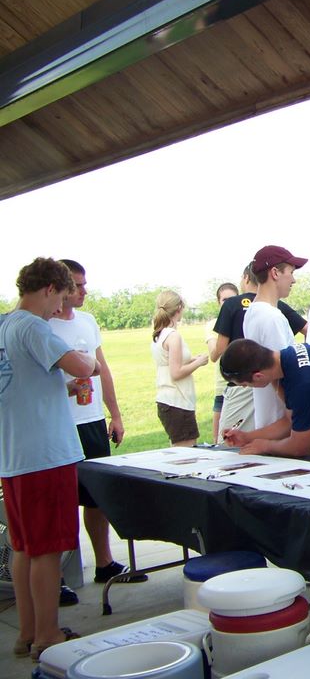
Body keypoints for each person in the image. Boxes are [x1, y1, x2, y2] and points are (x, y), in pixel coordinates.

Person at [1, 258, 98, 660]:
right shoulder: (33, 326)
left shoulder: (5, 326)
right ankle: (47, 635)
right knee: (49, 549)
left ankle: (26, 632)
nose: (60, 308)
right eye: (61, 296)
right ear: (48, 289)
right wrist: (89, 360)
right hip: (46, 456)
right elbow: (82, 364)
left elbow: (24, 385)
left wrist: (63, 389)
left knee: (24, 547)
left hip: (15, 455)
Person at [49, 259, 146, 593]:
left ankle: (105, 563)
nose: (84, 291)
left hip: (91, 420)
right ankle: (57, 576)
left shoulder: (87, 322)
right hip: (61, 424)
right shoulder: (43, 326)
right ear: (59, 288)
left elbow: (102, 369)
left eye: (84, 284)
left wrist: (114, 415)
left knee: (96, 497)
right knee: (62, 501)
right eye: (76, 285)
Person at [209, 263, 306, 438]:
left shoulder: (233, 305)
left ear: (246, 278)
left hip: (243, 384)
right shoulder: (277, 307)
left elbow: (221, 348)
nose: (293, 279)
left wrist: (212, 353)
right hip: (272, 390)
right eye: (291, 273)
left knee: (227, 443)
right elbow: (307, 329)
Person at [242, 246, 307, 433]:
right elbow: (280, 372)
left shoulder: (252, 312)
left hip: (268, 416)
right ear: (275, 273)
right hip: (281, 421)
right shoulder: (272, 317)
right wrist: (298, 413)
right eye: (291, 272)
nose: (293, 280)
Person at [150, 291, 208, 447]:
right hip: (177, 401)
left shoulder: (160, 334)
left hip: (167, 400)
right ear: (179, 308)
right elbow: (176, 373)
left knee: (178, 449)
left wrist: (191, 359)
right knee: (186, 452)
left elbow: (169, 361)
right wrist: (199, 362)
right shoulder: (173, 336)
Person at [206, 282, 238, 442]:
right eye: (224, 300)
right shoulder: (213, 324)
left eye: (232, 299)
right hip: (222, 386)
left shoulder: (243, 318)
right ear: (218, 302)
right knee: (219, 438)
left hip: (240, 385)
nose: (228, 303)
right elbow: (214, 355)